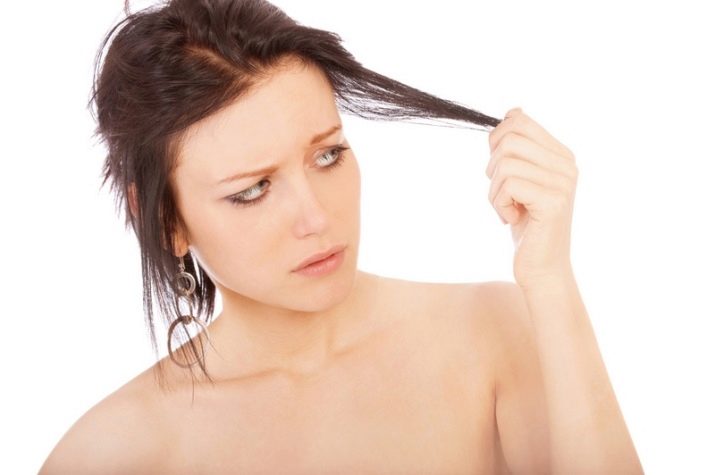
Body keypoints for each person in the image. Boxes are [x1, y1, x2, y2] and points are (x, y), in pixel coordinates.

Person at [40, 0, 643, 473]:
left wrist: (550, 281)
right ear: (164, 220)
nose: (315, 217)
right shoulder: (112, 454)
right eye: (253, 189)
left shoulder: (491, 335)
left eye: (328, 155)